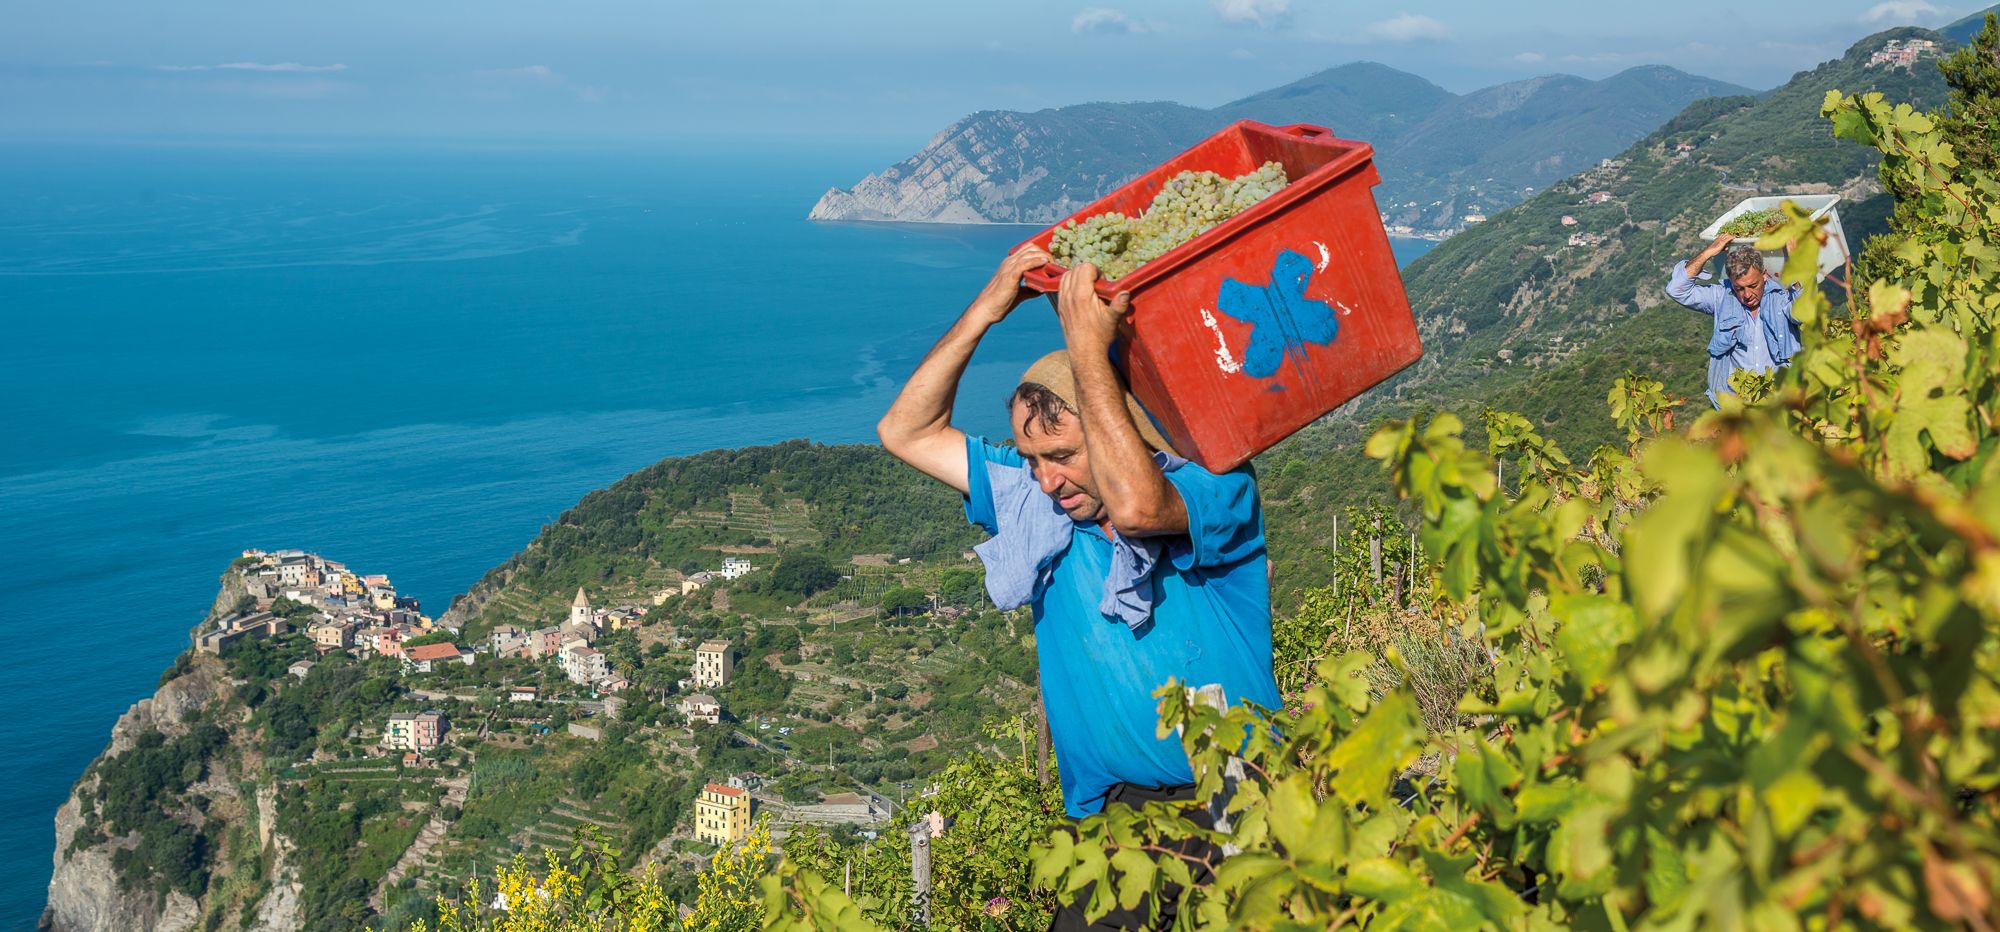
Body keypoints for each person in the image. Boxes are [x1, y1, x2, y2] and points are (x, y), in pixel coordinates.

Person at [876, 246, 1280, 930]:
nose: (1043, 480)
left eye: (1062, 455)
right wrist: (988, 308)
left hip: (1235, 799)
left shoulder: (1215, 489)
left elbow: (1141, 509)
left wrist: (1089, 352)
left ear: (1117, 428)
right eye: (1030, 459)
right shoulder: (1040, 512)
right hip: (1111, 817)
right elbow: (904, 430)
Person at [1665, 233, 1803, 406]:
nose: (1747, 295)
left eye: (1753, 286)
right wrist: (1707, 253)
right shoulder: (1722, 297)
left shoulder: (1782, 299)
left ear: (1764, 275)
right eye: (1739, 288)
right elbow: (1677, 289)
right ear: (1731, 283)